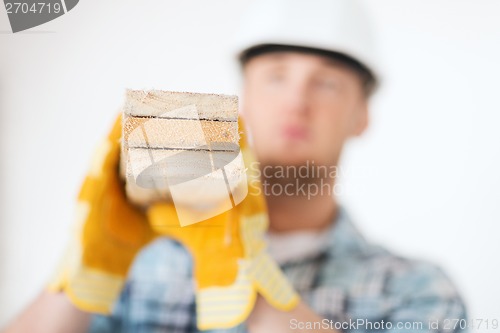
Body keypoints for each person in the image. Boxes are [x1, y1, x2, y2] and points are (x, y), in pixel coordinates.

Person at [3, 0, 467, 332]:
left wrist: (239, 270)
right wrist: (81, 274)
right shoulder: (141, 264)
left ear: (361, 116)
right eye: (275, 76)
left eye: (325, 83)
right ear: (242, 99)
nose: (296, 101)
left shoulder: (415, 290)